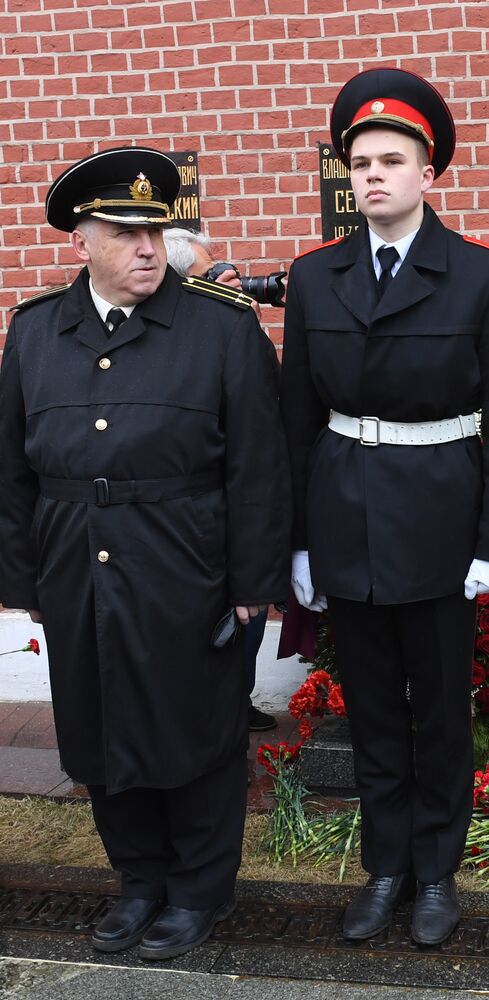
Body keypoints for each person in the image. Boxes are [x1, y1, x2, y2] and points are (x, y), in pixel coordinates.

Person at [0, 147, 291, 960]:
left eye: (155, 233)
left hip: (185, 561)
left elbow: (259, 466)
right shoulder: (36, 331)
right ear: (82, 241)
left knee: (193, 730)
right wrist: (25, 579)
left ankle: (197, 891)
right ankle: (138, 882)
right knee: (97, 727)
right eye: (125, 234)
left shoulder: (221, 327)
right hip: (75, 562)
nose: (146, 249)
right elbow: (12, 468)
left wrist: (253, 583)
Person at [280, 69, 489, 945]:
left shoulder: (483, 277)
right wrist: (298, 544)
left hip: (440, 521)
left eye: (391, 161)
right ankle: (385, 867)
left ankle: (435, 873)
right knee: (373, 710)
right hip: (345, 515)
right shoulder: (316, 278)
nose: (373, 176)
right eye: (360, 164)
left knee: (440, 712)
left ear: (428, 173)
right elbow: (296, 420)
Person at [163, 227, 276, 733]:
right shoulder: (170, 341)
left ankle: (236, 700)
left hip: (243, 506)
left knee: (248, 614)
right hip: (196, 514)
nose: (223, 279)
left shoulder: (229, 326)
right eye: (206, 274)